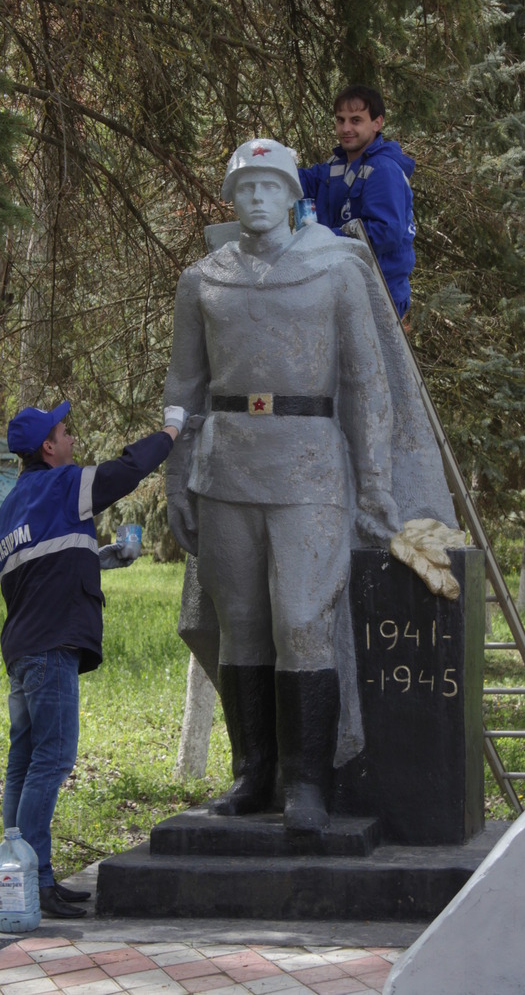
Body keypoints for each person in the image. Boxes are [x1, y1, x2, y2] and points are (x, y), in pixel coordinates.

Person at [163, 139, 401, 837]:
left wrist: (377, 485)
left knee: (300, 621)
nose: (258, 198)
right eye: (246, 187)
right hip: (226, 466)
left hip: (310, 467)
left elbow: (365, 384)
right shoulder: (202, 279)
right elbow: (183, 387)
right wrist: (177, 473)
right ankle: (252, 775)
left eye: (272, 186)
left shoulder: (335, 273)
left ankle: (306, 782)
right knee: (242, 626)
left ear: (295, 196)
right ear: (231, 199)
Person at [0, 399, 186, 917]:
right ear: (48, 448)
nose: (72, 438)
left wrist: (106, 558)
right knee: (51, 761)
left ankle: (19, 877)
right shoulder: (65, 483)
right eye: (64, 431)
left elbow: (41, 571)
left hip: (22, 649)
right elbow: (127, 471)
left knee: (23, 765)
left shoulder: (7, 512)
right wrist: (170, 431)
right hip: (53, 648)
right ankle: (39, 880)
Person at [298, 84, 416, 318]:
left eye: (356, 120)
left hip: (378, 295)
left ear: (377, 123)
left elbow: (386, 232)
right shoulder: (338, 164)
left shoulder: (383, 169)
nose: (346, 128)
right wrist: (272, 164)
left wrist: (325, 238)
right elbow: (301, 182)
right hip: (344, 289)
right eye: (340, 120)